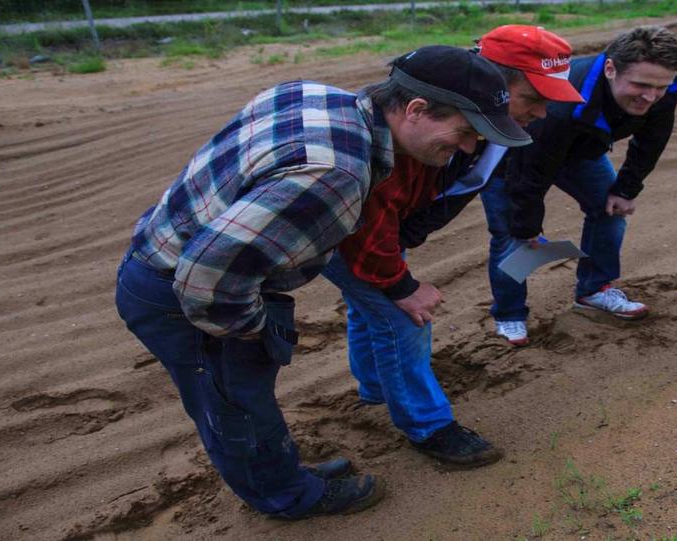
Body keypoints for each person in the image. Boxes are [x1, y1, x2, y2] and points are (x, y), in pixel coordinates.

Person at [114, 45, 528, 520]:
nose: (470, 148)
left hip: (166, 248)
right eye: (464, 131)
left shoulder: (320, 97)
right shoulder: (336, 174)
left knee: (245, 394)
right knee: (239, 402)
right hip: (182, 292)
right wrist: (252, 329)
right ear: (415, 109)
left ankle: (282, 474)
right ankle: (289, 497)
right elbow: (207, 278)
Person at [322, 25, 583, 468]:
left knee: (370, 306)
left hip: (378, 227)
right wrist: (400, 283)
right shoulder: (415, 133)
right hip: (336, 228)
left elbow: (479, 184)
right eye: (532, 97)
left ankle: (377, 389)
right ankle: (429, 426)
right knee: (405, 319)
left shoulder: (482, 126)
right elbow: (369, 222)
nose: (542, 112)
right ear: (495, 84)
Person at [482, 25, 677, 345]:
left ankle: (593, 290)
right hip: (516, 155)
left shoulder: (663, 89)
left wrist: (626, 188)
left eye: (660, 86)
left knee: (610, 210)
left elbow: (652, 139)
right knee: (513, 236)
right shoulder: (562, 105)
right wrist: (528, 224)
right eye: (641, 85)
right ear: (610, 68)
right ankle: (510, 314)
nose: (651, 96)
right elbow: (529, 174)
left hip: (580, 151)